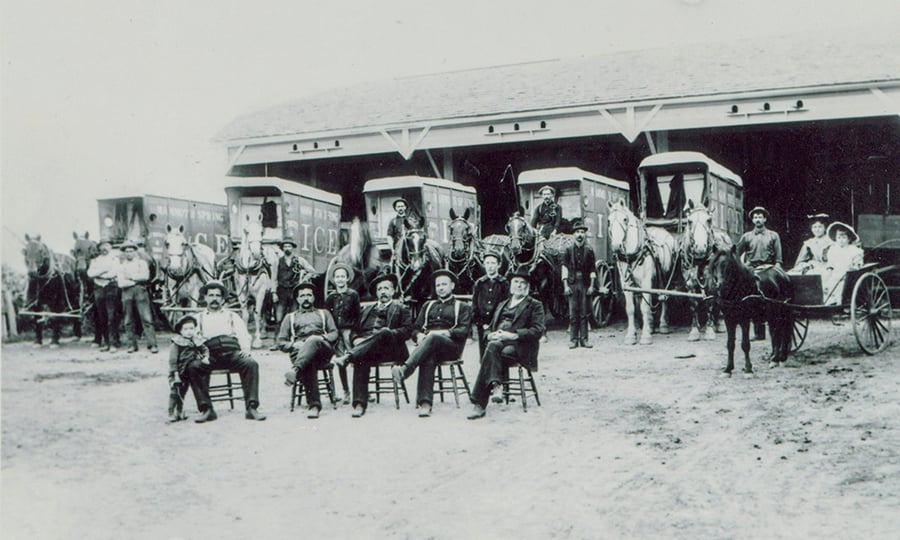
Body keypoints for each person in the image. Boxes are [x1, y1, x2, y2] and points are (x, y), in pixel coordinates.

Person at [391, 269, 472, 418]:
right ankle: (425, 403)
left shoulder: (463, 306)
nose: (441, 288)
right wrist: (420, 335)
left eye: (444, 284)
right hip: (429, 346)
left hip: (452, 347)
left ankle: (406, 369)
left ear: (452, 286)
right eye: (438, 285)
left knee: (433, 338)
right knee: (428, 355)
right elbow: (414, 329)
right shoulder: (428, 305)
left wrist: (444, 333)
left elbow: (464, 331)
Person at [183, 280, 267, 423]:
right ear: (205, 298)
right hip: (210, 355)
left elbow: (243, 334)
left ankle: (251, 408)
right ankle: (207, 409)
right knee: (193, 367)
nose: (214, 298)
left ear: (222, 299)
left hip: (231, 353)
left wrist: (246, 348)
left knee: (251, 363)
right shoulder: (198, 319)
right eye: (211, 295)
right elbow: (190, 338)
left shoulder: (232, 316)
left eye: (217, 295)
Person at [467, 268, 546, 420]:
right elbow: (490, 327)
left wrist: (513, 335)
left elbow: (538, 330)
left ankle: (482, 400)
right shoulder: (503, 304)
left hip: (520, 347)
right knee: (493, 346)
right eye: (516, 282)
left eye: (523, 283)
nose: (519, 286)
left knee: (492, 349)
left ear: (528, 287)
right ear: (511, 285)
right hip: (499, 344)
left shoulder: (535, 305)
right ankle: (495, 386)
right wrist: (490, 334)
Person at [332, 273, 414, 417]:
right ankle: (359, 404)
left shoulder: (401, 308)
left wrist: (388, 334)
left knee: (383, 332)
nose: (383, 291)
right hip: (368, 349)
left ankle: (348, 356)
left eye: (386, 288)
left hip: (391, 349)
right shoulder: (366, 310)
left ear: (393, 291)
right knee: (361, 357)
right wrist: (356, 339)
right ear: (376, 293)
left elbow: (407, 331)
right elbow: (354, 331)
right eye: (380, 289)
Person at [277, 281, 339, 419]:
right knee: (308, 362)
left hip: (322, 350)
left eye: (309, 295)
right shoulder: (290, 317)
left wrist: (320, 338)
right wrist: (293, 345)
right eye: (302, 295)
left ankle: (294, 370)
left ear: (313, 297)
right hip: (300, 353)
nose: (306, 298)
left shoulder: (324, 313)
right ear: (297, 299)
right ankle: (314, 406)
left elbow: (334, 333)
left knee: (313, 340)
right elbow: (281, 342)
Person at [736, 206, 783, 340]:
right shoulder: (747, 236)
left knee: (769, 291)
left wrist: (778, 267)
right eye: (755, 217)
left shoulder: (773, 235)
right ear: (752, 220)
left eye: (760, 217)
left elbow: (779, 258)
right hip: (752, 268)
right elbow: (736, 253)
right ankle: (758, 332)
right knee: (748, 295)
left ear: (765, 219)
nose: (757, 219)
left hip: (768, 267)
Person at [324, 263, 360, 404]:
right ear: (334, 279)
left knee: (356, 359)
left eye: (342, 276)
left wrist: (356, 334)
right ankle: (346, 391)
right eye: (337, 277)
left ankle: (361, 391)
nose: (340, 279)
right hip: (336, 333)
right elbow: (327, 317)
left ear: (347, 279)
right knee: (340, 362)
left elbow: (357, 316)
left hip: (349, 332)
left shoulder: (353, 295)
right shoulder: (330, 297)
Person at [117, 240, 158, 354]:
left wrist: (130, 277)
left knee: (146, 318)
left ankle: (152, 345)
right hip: (126, 292)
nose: (129, 253)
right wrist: (135, 280)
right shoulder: (121, 266)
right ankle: (131, 345)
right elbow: (121, 283)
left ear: (135, 252)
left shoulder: (142, 263)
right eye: (127, 251)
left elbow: (145, 276)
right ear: (124, 253)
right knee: (128, 320)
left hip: (141, 291)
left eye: (131, 251)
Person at [561, 218, 597, 349]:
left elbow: (593, 268)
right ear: (573, 235)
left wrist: (592, 285)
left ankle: (584, 339)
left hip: (585, 284)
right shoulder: (568, 250)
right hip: (572, 283)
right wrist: (565, 286)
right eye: (577, 232)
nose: (580, 235)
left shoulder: (589, 250)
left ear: (585, 234)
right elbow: (564, 268)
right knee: (572, 314)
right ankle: (573, 340)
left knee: (584, 313)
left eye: (582, 232)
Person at [166, 314, 208, 423]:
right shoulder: (177, 343)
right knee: (175, 392)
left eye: (191, 328)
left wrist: (205, 357)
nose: (189, 331)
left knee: (183, 392)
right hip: (178, 371)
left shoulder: (196, 340)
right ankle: (171, 412)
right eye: (186, 329)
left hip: (187, 371)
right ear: (181, 331)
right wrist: (175, 373)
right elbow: (173, 359)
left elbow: (204, 349)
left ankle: (179, 411)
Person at [471, 252, 509, 358]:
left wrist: (498, 323)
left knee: (497, 350)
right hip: (482, 324)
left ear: (498, 265)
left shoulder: (503, 283)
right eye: (487, 263)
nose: (490, 266)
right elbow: (475, 305)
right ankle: (484, 373)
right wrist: (481, 323)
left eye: (493, 263)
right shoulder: (479, 283)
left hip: (498, 324)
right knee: (483, 352)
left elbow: (506, 305)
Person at [86, 240, 121, 352]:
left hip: (111, 287)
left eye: (107, 245)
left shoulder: (115, 259)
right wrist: (104, 270)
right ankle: (106, 343)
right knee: (102, 317)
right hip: (98, 289)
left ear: (110, 247)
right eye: (102, 246)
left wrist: (99, 274)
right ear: (99, 248)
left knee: (111, 316)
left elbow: (113, 273)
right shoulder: (95, 260)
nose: (105, 248)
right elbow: (90, 274)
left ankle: (114, 343)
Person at [822, 222, 864, 305]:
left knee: (839, 283)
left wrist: (854, 266)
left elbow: (857, 263)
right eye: (839, 237)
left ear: (849, 239)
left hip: (847, 274)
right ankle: (826, 300)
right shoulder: (833, 249)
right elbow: (831, 263)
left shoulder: (854, 250)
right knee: (825, 280)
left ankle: (838, 301)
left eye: (844, 237)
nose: (841, 240)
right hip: (834, 272)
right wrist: (829, 270)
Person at [274, 239, 308, 326]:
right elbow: (273, 278)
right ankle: (278, 337)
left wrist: (304, 277)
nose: (287, 248)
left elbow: (312, 271)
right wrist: (273, 292)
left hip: (294, 291)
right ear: (282, 249)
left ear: (292, 248)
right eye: (285, 247)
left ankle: (293, 336)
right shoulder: (277, 261)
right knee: (279, 317)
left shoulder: (299, 260)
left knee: (294, 316)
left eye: (289, 246)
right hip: (282, 291)